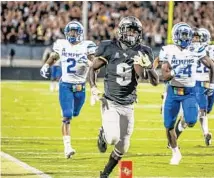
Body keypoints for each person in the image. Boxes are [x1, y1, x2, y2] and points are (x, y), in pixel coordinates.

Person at [88, 16, 159, 177]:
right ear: (121, 31)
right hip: (111, 101)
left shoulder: (144, 51)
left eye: (135, 31)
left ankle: (105, 173)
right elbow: (93, 69)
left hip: (128, 104)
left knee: (123, 147)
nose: (132, 34)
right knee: (112, 137)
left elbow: (154, 81)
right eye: (129, 30)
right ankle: (103, 133)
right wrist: (93, 87)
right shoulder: (109, 47)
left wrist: (149, 67)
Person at [159, 22, 214, 165]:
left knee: (191, 120)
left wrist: (211, 83)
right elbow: (164, 76)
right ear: (176, 35)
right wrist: (174, 71)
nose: (185, 38)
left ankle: (185, 121)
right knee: (168, 125)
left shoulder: (196, 50)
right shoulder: (168, 50)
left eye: (187, 35)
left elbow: (212, 65)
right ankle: (175, 152)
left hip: (189, 92)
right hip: (172, 91)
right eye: (182, 35)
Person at [40, 21, 96, 159]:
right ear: (66, 32)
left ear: (80, 33)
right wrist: (46, 65)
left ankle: (69, 112)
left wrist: (88, 62)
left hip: (80, 87)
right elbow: (54, 56)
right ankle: (67, 147)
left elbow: (96, 66)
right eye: (70, 31)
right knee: (67, 116)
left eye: (75, 32)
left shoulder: (87, 46)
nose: (73, 34)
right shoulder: (62, 44)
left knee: (75, 113)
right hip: (65, 85)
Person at [174, 28, 214, 146]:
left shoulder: (209, 49)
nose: (195, 40)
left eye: (197, 38)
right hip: (196, 84)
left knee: (203, 112)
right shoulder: (196, 49)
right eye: (194, 37)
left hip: (208, 84)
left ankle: (177, 134)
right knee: (199, 113)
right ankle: (205, 133)